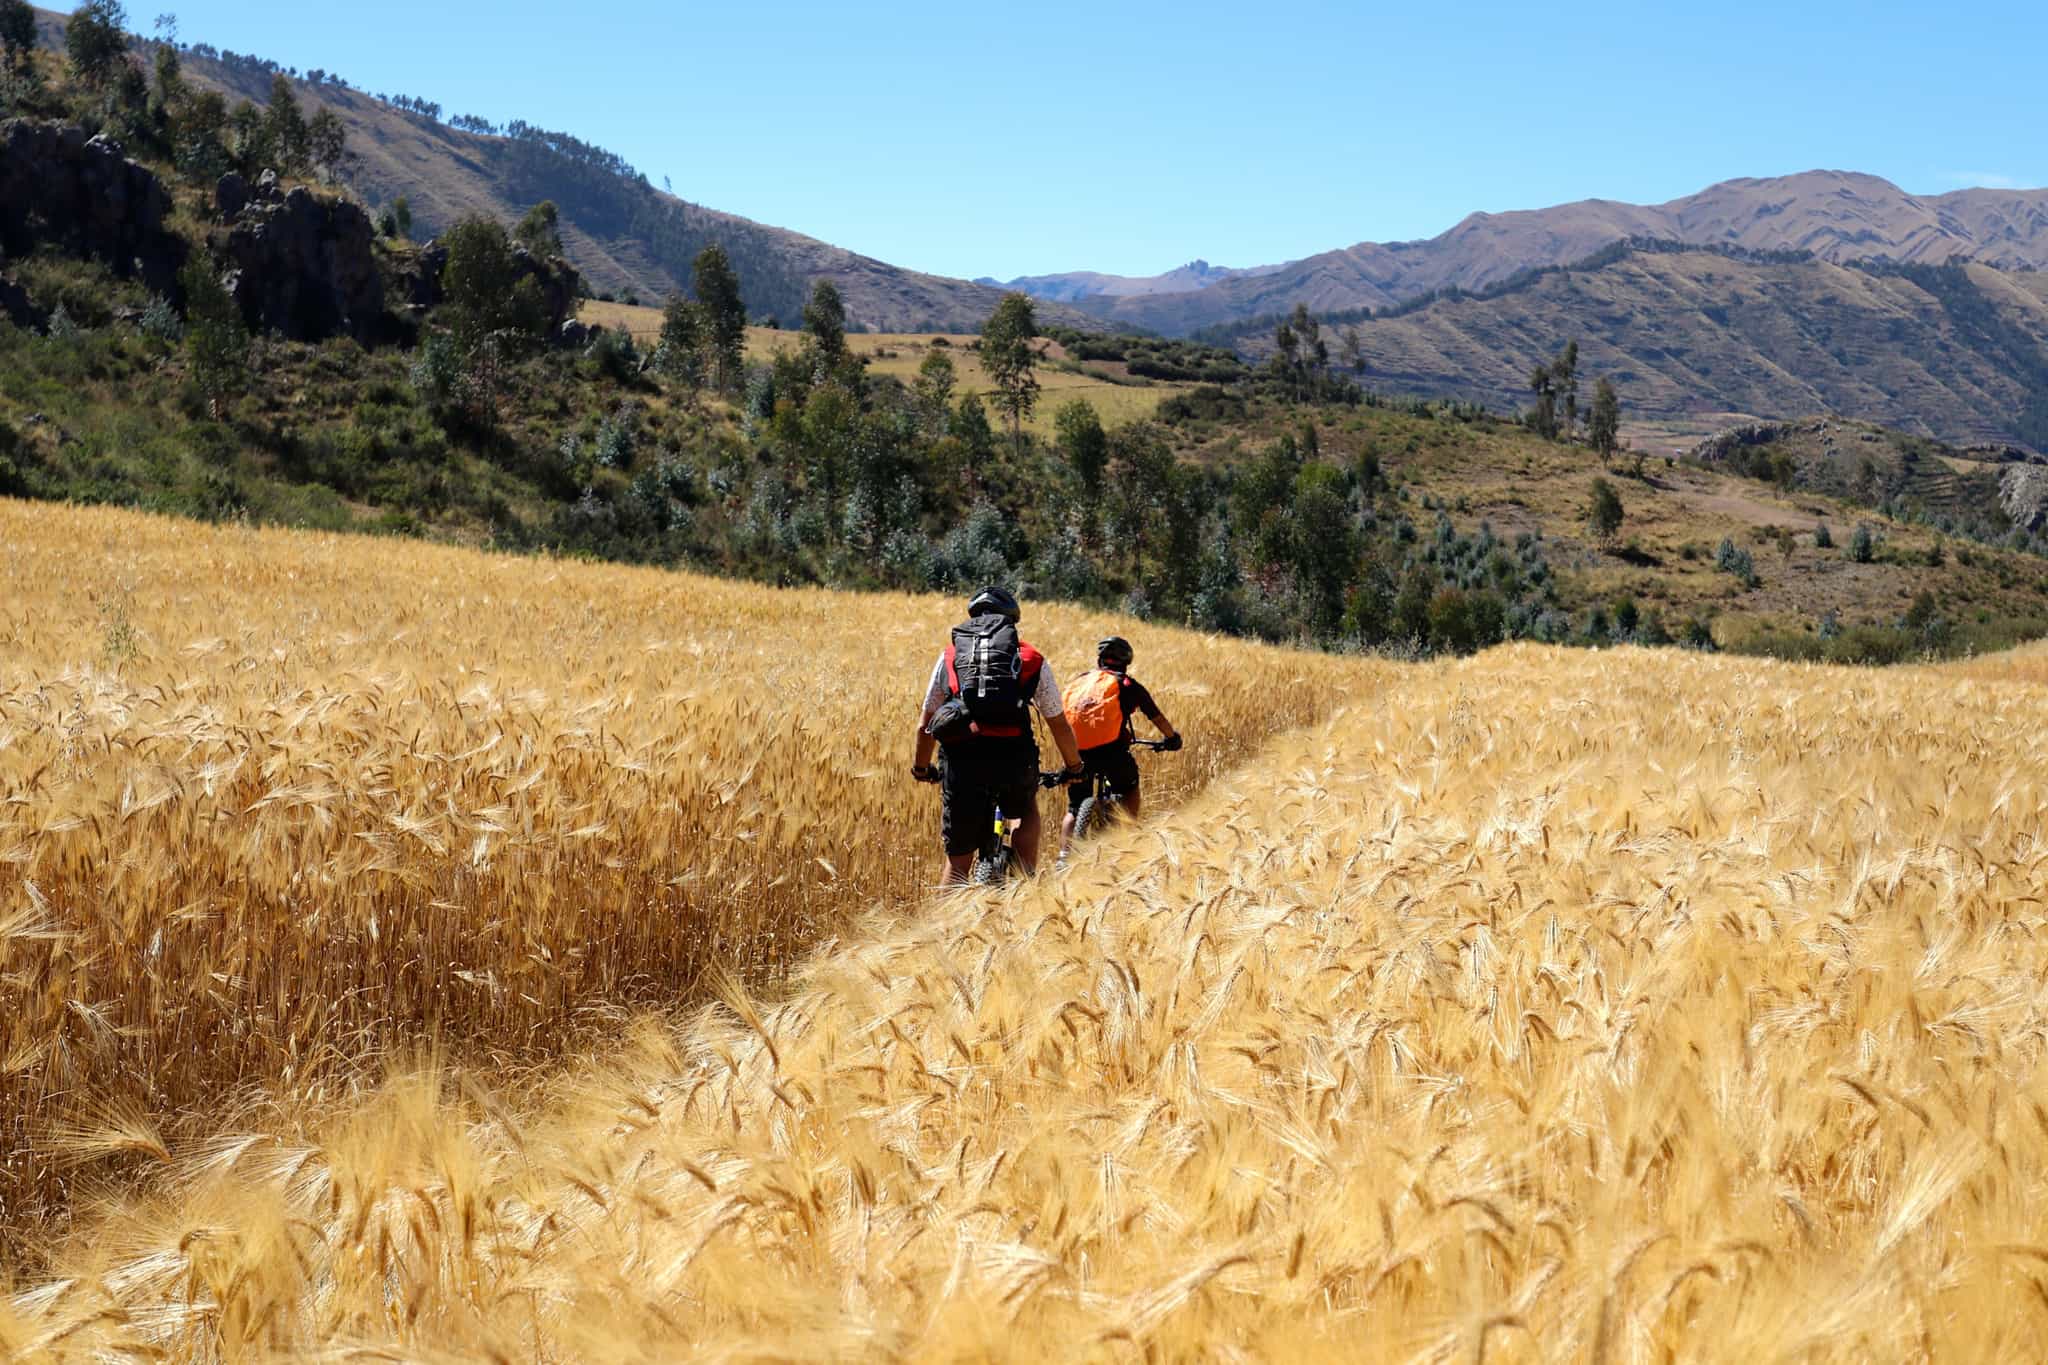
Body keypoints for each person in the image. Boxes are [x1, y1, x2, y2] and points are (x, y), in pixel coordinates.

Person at [912, 586, 1083, 885]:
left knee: (958, 862)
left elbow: (926, 723)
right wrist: (1074, 767)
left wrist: (921, 767)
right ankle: (1025, 879)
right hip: (1014, 756)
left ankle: (945, 928)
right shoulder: (1030, 657)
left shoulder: (950, 656)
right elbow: (1057, 722)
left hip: (962, 759)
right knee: (1025, 809)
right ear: (1011, 622)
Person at [1059, 635, 1180, 855]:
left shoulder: (1079, 682)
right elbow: (1157, 718)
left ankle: (1063, 857)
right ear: (1125, 662)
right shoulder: (1127, 684)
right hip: (1111, 752)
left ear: (1100, 660)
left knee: (1075, 808)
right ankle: (1127, 839)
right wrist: (1172, 738)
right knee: (1129, 788)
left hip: (1076, 755)